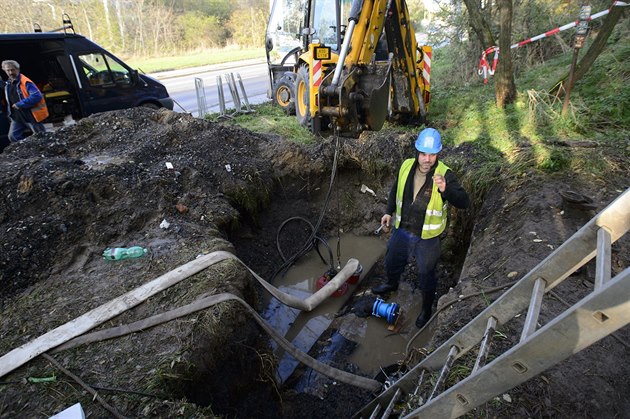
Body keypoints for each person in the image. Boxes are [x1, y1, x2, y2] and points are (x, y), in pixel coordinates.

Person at [372, 127, 470, 329]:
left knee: (426, 276)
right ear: (417, 152)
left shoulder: (445, 175)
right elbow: (394, 191)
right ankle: (391, 284)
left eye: (432, 154)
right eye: (424, 154)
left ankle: (426, 309)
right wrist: (389, 212)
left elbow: (464, 201)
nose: (427, 159)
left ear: (438, 154)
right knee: (391, 261)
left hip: (427, 238)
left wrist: (446, 189)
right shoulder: (406, 166)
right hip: (402, 230)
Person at [2, 60, 48, 142]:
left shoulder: (25, 82)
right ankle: (27, 151)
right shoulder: (8, 84)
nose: (10, 72)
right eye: (8, 70)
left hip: (30, 115)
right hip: (17, 116)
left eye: (12, 70)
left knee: (41, 137)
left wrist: (20, 104)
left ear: (18, 69)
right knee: (13, 136)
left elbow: (36, 96)